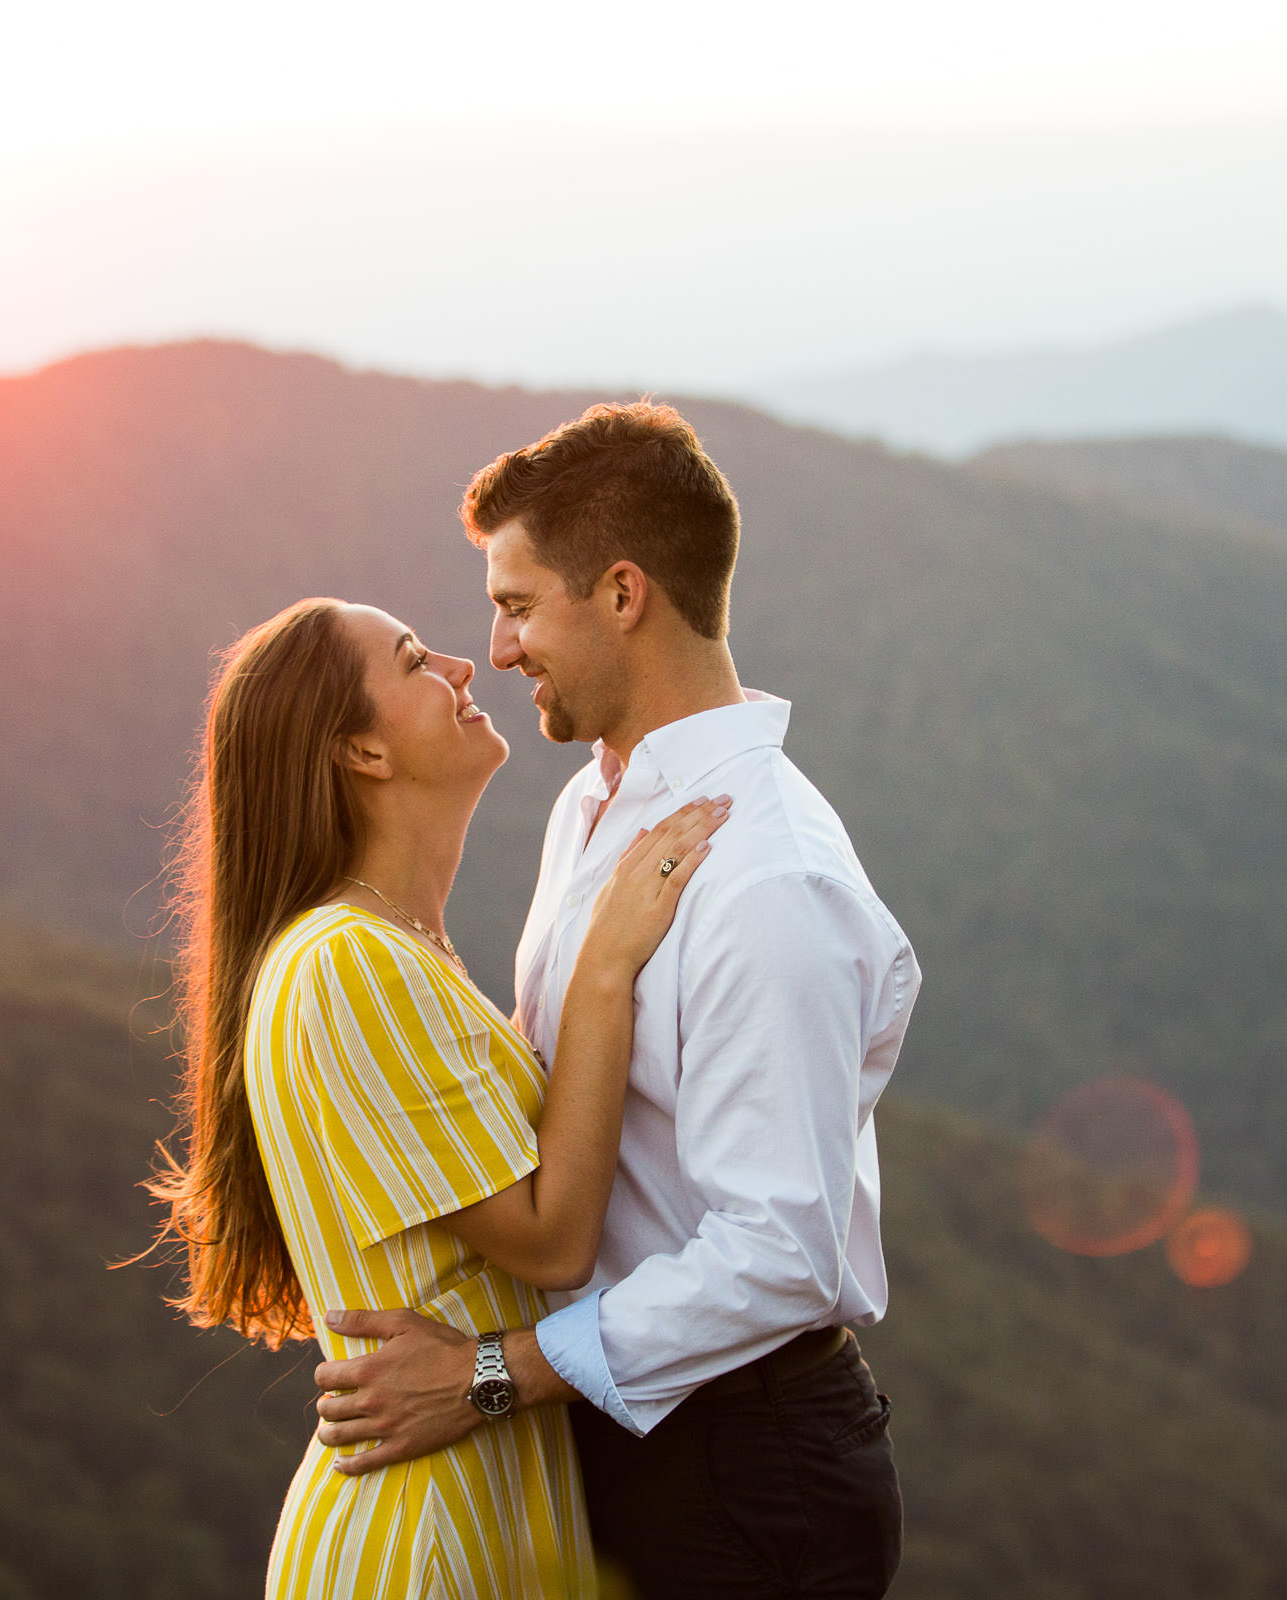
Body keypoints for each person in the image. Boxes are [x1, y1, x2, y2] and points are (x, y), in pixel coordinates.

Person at [310, 403, 921, 1599]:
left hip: (741, 1473)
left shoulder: (767, 878)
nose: (495, 648)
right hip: (624, 1438)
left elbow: (781, 1252)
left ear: (625, 595)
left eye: (520, 603)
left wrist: (489, 1372)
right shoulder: (590, 805)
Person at [148, 593, 731, 1598]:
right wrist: (605, 969)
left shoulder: (395, 954)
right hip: (427, 1545)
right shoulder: (348, 963)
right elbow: (552, 1240)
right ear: (361, 754)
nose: (464, 665)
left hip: (476, 1517)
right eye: (415, 660)